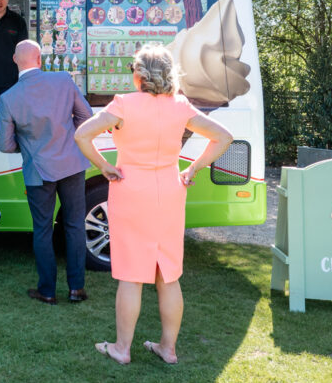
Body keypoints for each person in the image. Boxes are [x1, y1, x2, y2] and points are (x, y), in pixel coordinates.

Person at [74, 44, 233, 365]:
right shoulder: (180, 106)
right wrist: (193, 168)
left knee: (131, 274)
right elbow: (224, 136)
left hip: (131, 191)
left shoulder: (124, 104)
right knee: (168, 274)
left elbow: (82, 135)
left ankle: (121, 348)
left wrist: (104, 166)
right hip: (170, 191)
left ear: (140, 74)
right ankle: (168, 349)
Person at [0, 40, 93, 304]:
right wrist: (69, 136)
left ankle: (47, 291)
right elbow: (87, 116)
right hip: (72, 163)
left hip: (38, 170)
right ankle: (76, 289)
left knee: (42, 230)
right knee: (74, 225)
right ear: (40, 59)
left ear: (15, 60)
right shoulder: (63, 80)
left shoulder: (9, 97)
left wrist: (27, 146)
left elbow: (4, 144)